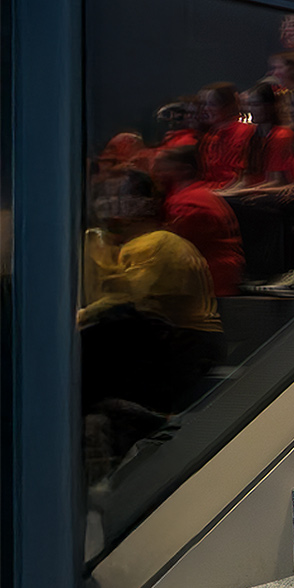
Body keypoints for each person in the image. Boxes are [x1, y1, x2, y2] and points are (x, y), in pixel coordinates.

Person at [78, 170, 222, 416]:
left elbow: (129, 298)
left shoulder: (157, 242)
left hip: (186, 343)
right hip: (180, 340)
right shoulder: (134, 244)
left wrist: (80, 317)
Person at [150, 148, 244, 298]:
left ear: (184, 170)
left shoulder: (190, 204)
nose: (156, 173)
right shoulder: (197, 195)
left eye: (164, 168)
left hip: (210, 284)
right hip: (209, 281)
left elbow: (174, 248)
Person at [192, 83, 253, 190]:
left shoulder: (244, 132)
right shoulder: (210, 135)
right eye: (202, 104)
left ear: (228, 106)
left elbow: (241, 177)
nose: (205, 109)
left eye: (211, 104)